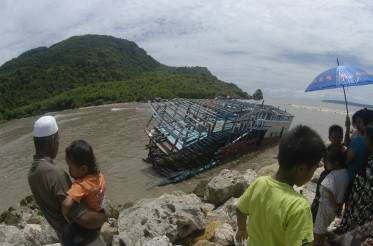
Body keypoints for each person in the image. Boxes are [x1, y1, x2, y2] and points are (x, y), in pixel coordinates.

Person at [235, 125, 326, 246]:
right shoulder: (299, 206)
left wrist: (242, 229)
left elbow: (240, 208)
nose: (313, 174)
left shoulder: (260, 183)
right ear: (301, 169)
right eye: (314, 170)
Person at [28, 116, 107, 245]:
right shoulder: (54, 173)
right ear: (52, 140)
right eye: (58, 139)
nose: (58, 143)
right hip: (85, 240)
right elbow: (84, 218)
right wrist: (105, 216)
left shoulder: (32, 172)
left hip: (65, 238)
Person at [332, 125, 373, 242]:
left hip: (363, 202)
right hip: (358, 198)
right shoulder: (369, 154)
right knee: (352, 224)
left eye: (366, 137)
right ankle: (345, 236)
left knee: (357, 229)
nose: (364, 139)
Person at [62, 140, 106, 246]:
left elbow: (67, 204)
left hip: (85, 224)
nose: (69, 170)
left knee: (66, 234)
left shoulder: (81, 185)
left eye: (70, 167)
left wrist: (65, 214)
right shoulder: (100, 177)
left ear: (83, 169)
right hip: (97, 217)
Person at [312, 144, 349, 246]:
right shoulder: (343, 173)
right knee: (322, 229)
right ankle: (320, 242)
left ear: (336, 163)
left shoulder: (335, 175)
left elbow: (330, 192)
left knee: (318, 231)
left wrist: (333, 203)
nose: (324, 163)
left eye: (326, 161)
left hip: (325, 207)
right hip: (330, 208)